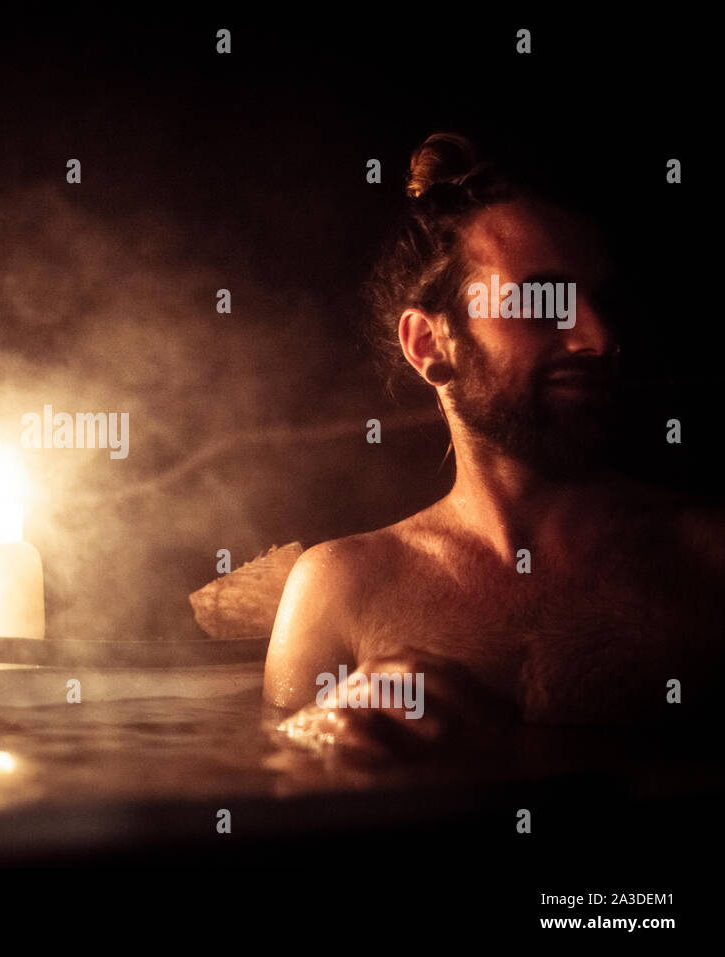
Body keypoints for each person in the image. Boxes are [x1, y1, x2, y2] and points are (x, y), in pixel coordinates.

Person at [263, 133, 724, 751]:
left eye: (602, 301)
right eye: (544, 300)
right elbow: (263, 788)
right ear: (429, 345)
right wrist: (318, 732)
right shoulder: (339, 589)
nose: (598, 336)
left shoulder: (707, 560)